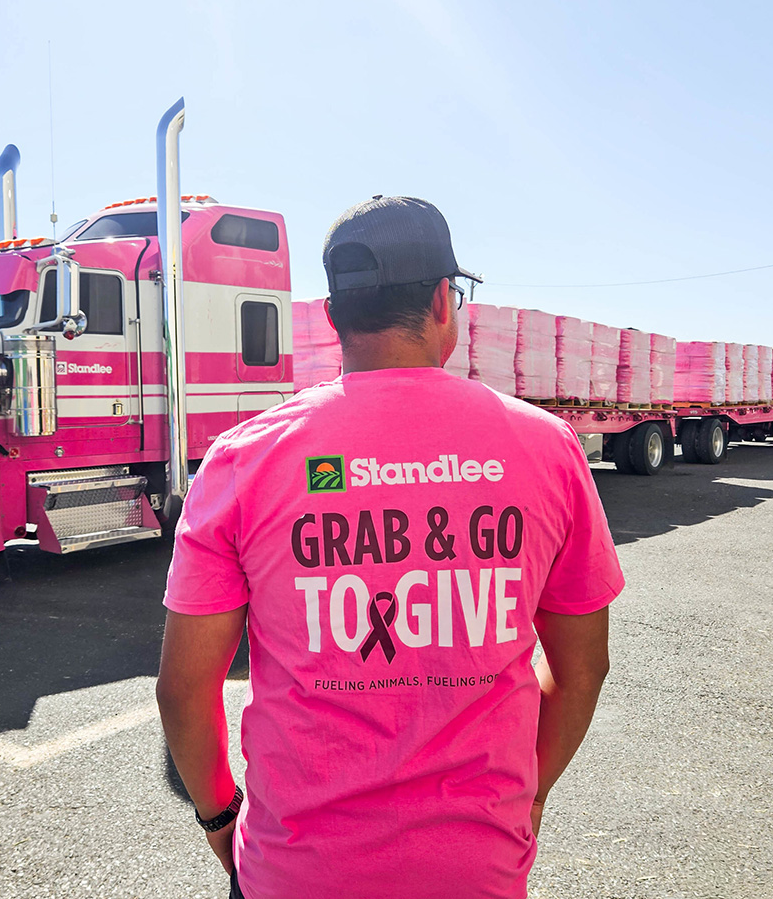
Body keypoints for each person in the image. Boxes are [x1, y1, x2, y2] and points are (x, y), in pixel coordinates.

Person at [157, 196, 623, 899]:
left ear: (332, 316)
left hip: (296, 872)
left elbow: (183, 691)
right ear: (444, 301)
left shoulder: (242, 460)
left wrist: (221, 816)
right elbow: (582, 670)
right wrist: (526, 796)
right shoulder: (548, 450)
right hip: (477, 872)